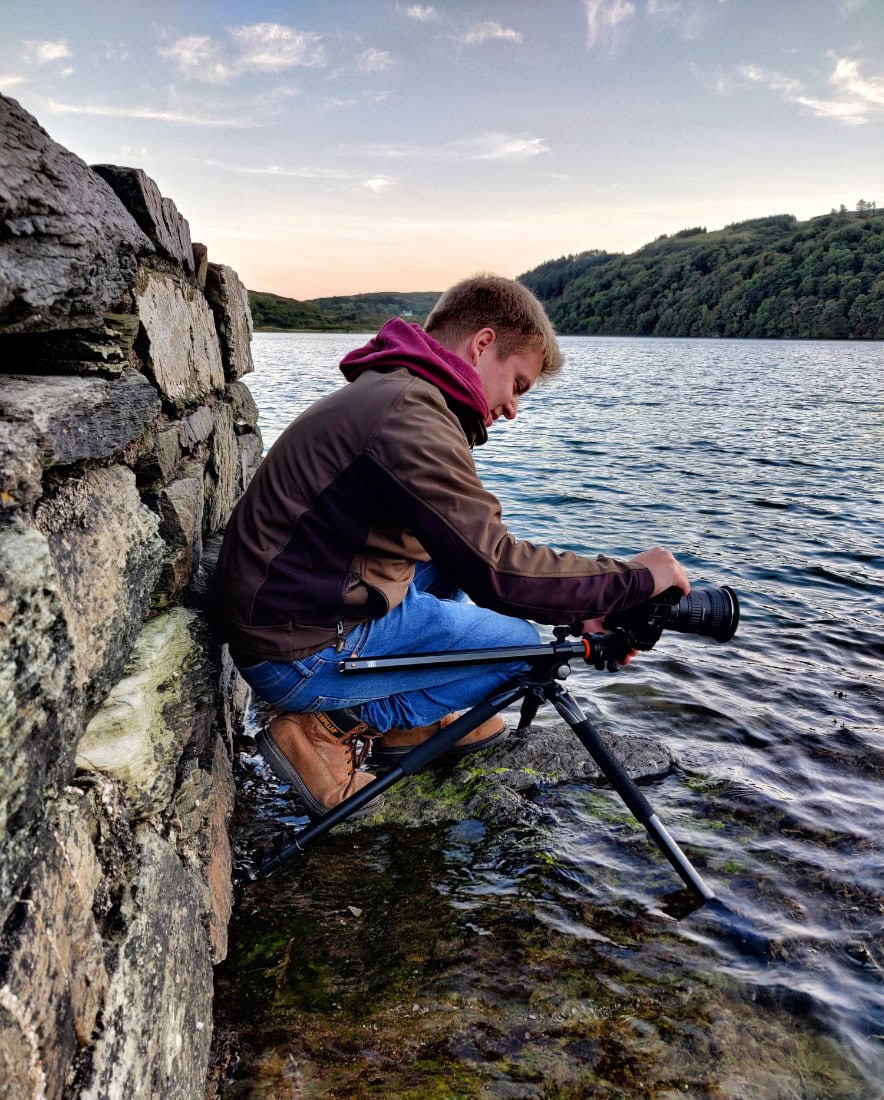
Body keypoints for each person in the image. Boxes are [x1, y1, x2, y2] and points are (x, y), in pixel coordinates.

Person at [214, 274, 689, 816]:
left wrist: (585, 608)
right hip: (295, 651)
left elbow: (467, 549)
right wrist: (633, 580)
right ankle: (328, 726)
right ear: (483, 344)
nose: (513, 408)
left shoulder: (399, 391)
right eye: (518, 385)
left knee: (451, 565)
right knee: (520, 648)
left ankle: (409, 722)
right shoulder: (412, 416)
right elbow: (498, 569)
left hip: (290, 607)